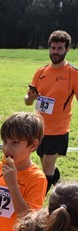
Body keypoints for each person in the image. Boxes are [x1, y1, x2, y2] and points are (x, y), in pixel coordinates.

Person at [24, 30, 78, 193]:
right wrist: (31, 98)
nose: (55, 52)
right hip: (39, 129)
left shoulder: (73, 74)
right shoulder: (40, 72)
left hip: (58, 130)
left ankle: (39, 207)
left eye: (59, 48)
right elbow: (27, 101)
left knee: (47, 168)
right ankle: (63, 192)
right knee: (47, 165)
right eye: (53, 48)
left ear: (67, 50)